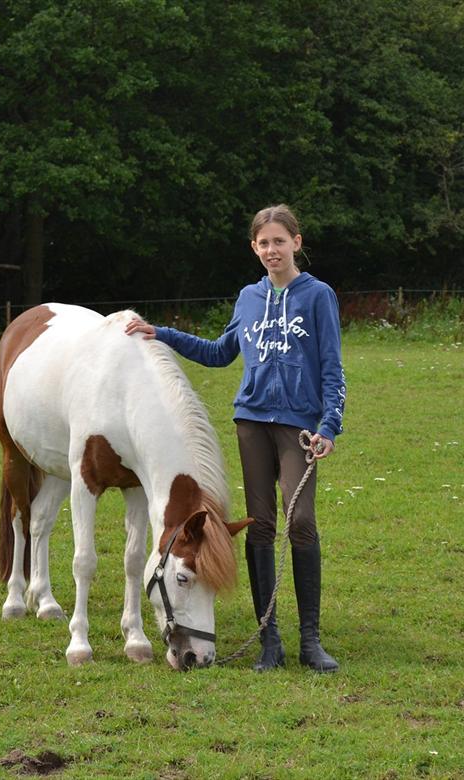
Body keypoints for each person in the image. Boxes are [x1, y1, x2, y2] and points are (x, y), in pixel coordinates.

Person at [126, 204, 345, 673]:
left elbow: (332, 367)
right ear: (254, 247)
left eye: (279, 242)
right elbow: (220, 352)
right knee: (261, 526)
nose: (271, 251)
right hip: (251, 423)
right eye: (263, 243)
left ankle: (311, 641)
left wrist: (329, 426)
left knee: (300, 520)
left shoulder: (318, 295)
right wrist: (160, 334)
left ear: (297, 244)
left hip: (299, 427)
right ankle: (271, 642)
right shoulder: (248, 297)